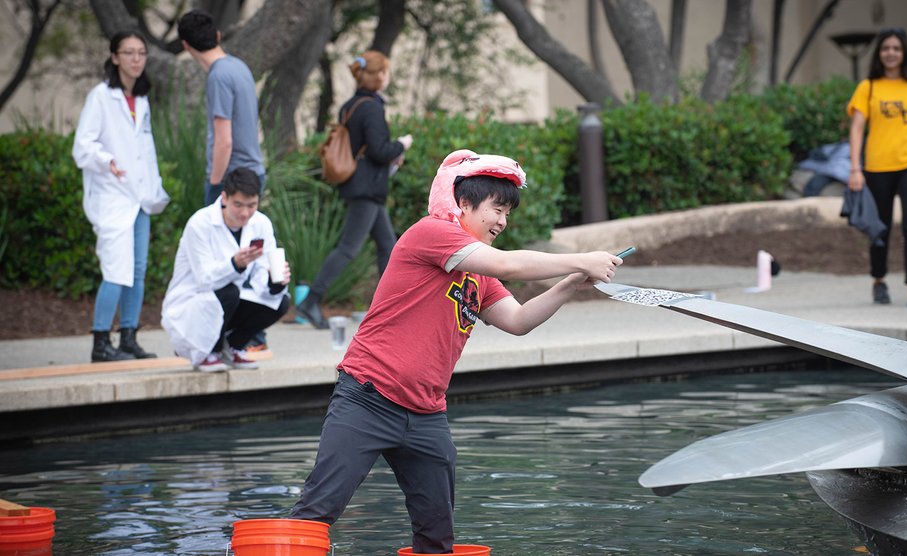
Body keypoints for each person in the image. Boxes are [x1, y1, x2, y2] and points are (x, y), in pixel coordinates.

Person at [290, 149, 622, 553]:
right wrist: (581, 256)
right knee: (317, 512)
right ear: (463, 203)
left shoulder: (478, 273)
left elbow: (518, 321)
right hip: (368, 398)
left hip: (427, 416)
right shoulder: (431, 232)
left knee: (437, 537)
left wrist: (570, 283)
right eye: (496, 209)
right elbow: (510, 266)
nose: (503, 221)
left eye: (507, 213)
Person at [72, 30, 170, 363]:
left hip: (140, 198)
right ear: (114, 57)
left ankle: (128, 337)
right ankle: (101, 343)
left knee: (138, 272)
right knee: (116, 270)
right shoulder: (101, 96)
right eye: (128, 53)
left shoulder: (140, 100)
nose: (136, 59)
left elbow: (146, 151)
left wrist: (155, 189)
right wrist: (107, 161)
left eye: (141, 53)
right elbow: (82, 147)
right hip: (113, 196)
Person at [296, 50, 413, 329]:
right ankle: (311, 301)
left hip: (362, 186)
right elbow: (379, 150)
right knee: (349, 248)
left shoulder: (350, 105)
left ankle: (388, 310)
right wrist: (402, 145)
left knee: (389, 247)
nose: (387, 76)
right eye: (385, 71)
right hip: (366, 188)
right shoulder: (372, 107)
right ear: (379, 76)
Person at [161, 168, 291, 372]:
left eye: (252, 205)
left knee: (280, 302)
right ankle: (209, 351)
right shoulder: (200, 223)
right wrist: (235, 264)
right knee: (229, 292)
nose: (245, 213)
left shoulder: (261, 223)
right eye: (238, 205)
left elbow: (260, 278)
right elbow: (204, 280)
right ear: (224, 198)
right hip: (191, 304)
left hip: (229, 301)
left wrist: (275, 281)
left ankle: (234, 347)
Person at [847, 27, 907, 306]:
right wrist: (855, 169)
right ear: (879, 53)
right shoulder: (868, 87)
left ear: (904, 53)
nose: (891, 53)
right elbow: (857, 128)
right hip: (877, 166)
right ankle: (879, 281)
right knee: (880, 227)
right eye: (886, 48)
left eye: (896, 48)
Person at [177, 9, 266, 206]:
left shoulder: (218, 77)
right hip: (253, 174)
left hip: (232, 180)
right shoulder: (238, 66)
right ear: (217, 35)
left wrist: (214, 183)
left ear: (185, 45)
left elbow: (224, 140)